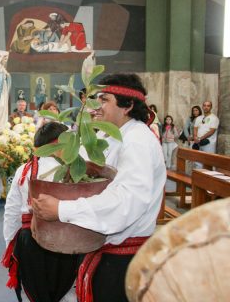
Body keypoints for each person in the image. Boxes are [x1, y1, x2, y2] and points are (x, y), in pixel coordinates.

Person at [32, 73, 166, 302]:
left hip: (125, 261)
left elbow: (125, 201)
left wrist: (62, 210)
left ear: (128, 105)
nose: (96, 105)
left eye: (104, 99)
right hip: (104, 251)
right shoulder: (108, 135)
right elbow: (80, 173)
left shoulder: (138, 141)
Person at [3, 121, 78, 302]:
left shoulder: (24, 170)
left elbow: (12, 212)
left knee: (33, 294)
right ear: (60, 143)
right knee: (67, 294)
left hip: (30, 241)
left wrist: (11, 246)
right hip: (67, 241)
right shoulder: (74, 171)